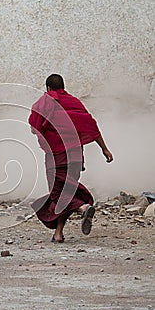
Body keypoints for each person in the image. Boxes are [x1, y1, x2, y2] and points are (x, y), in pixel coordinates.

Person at [29, 74, 113, 243]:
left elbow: (34, 126)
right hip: (75, 157)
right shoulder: (74, 102)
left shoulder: (45, 103)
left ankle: (83, 207)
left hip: (56, 157)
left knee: (57, 194)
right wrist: (104, 149)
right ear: (63, 86)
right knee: (66, 193)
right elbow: (91, 124)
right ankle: (58, 234)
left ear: (48, 88)